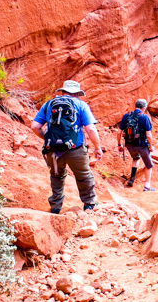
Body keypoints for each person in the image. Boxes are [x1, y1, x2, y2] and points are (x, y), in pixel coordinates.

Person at [31, 80, 104, 213]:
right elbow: (91, 129)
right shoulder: (81, 105)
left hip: (52, 150)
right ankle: (89, 205)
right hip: (75, 150)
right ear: (77, 93)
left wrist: (48, 139)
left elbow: (35, 127)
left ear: (63, 91)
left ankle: (55, 207)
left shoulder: (48, 105)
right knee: (83, 175)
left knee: (56, 176)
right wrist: (97, 147)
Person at [117, 99, 155, 191]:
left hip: (129, 145)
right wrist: (151, 146)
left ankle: (132, 179)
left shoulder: (127, 116)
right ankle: (147, 186)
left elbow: (119, 132)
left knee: (135, 158)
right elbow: (148, 135)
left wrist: (119, 144)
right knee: (149, 165)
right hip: (142, 146)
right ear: (144, 107)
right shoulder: (145, 117)